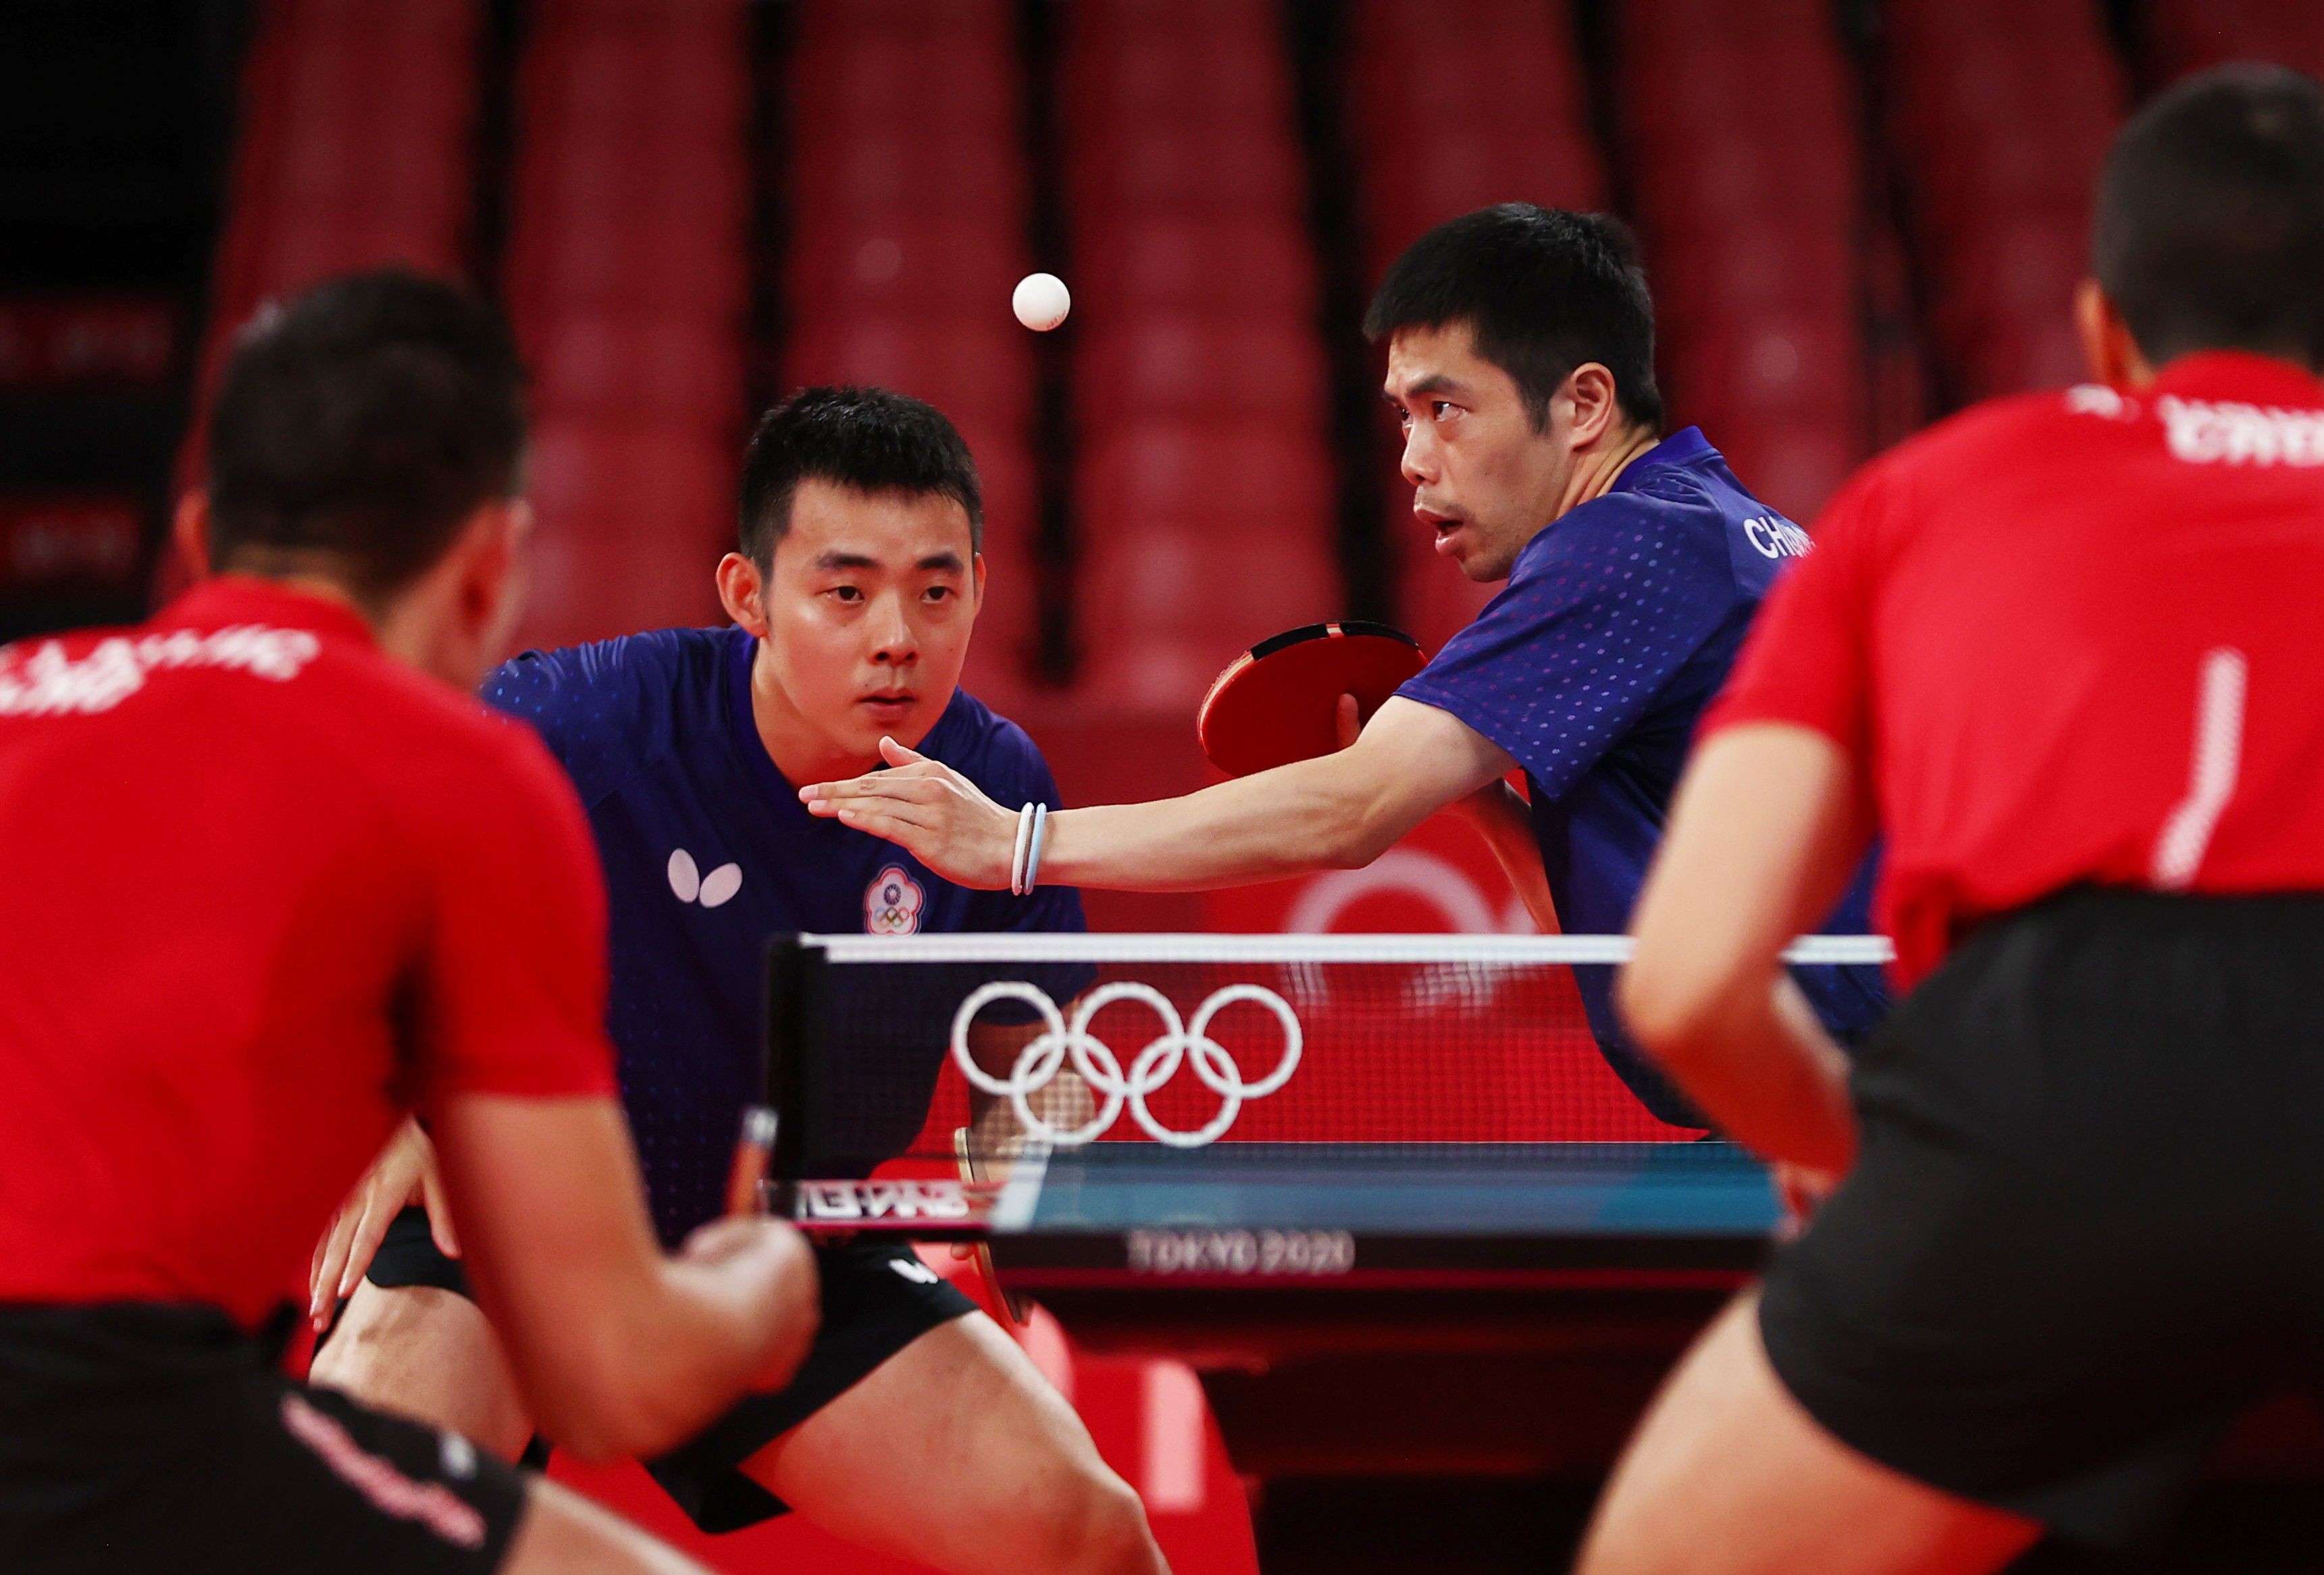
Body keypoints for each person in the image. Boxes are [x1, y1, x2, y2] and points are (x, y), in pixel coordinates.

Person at [1583, 66, 2324, 1572]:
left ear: (2101, 325)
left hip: (2058, 1103)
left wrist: (1871, 1154)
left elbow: (1683, 980)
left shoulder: (1927, 496)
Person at [0, 269, 818, 1575]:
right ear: (493, 567)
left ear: (204, 538)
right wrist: (766, 1285)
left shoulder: (13, 691)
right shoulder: (466, 778)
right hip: (96, 1421)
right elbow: (611, 1377)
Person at [311, 386, 1168, 1574]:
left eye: (937, 588)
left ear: (980, 582)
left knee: (1091, 1537)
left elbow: (1032, 1058)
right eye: (846, 590)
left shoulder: (989, 783)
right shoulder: (578, 725)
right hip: (514, 1227)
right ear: (748, 596)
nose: (897, 636)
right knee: (342, 1518)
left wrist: (1027, 1154)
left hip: (791, 1245)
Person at [800, 203, 1888, 1126]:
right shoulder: (1723, 527)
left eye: (1446, 410)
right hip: (1850, 1096)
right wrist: (1477, 804)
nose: (1413, 463)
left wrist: (1013, 843)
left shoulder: (1623, 548)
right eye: (1404, 417)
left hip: (1873, 1103)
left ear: (1584, 405)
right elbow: (1605, 939)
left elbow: (1351, 811)